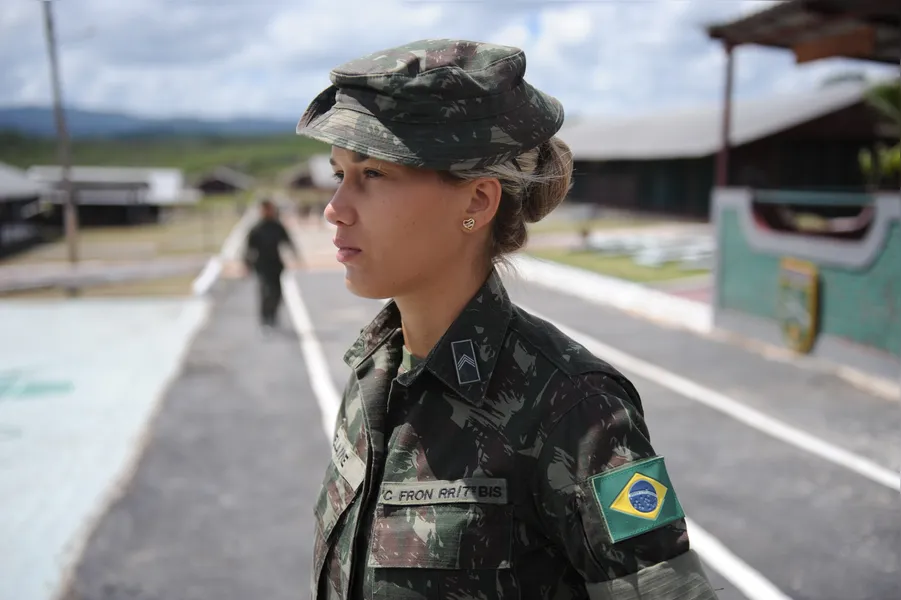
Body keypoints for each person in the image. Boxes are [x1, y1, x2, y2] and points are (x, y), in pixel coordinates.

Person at [296, 39, 719, 599]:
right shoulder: (374, 373)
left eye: (372, 174)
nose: (335, 207)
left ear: (476, 202)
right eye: (339, 173)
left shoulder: (575, 410)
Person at [243, 198, 300, 327]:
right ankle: (265, 318)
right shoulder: (256, 229)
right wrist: (246, 264)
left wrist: (296, 256)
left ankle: (273, 316)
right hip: (262, 265)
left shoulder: (277, 226)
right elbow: (248, 248)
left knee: (277, 292)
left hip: (276, 264)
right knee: (265, 292)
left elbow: (288, 241)